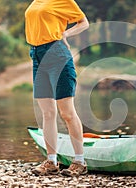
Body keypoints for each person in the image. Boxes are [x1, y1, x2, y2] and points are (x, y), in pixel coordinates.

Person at [25, 0, 89, 176]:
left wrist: (65, 34)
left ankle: (80, 162)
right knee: (47, 112)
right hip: (37, 56)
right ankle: (51, 161)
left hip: (57, 55)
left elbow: (84, 22)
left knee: (67, 112)